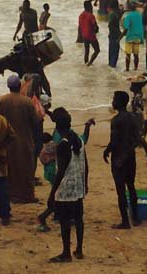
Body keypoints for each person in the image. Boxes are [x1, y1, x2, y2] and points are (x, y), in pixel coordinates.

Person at [47, 108, 89, 263]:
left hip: (66, 188)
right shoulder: (79, 140)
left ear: (57, 126)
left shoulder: (63, 144)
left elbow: (61, 171)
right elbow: (86, 164)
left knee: (65, 221)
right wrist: (85, 183)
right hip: (78, 185)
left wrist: (52, 193)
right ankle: (79, 249)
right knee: (78, 219)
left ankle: (66, 253)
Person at [103, 91, 140, 229]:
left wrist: (107, 151)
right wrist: (127, 153)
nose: (112, 101)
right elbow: (137, 139)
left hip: (119, 157)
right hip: (130, 156)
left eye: (113, 99)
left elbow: (114, 141)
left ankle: (125, 221)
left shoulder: (116, 120)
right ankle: (135, 218)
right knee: (131, 186)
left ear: (118, 102)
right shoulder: (132, 117)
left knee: (120, 190)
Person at [0, 76, 37, 204]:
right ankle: (27, 195)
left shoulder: (2, 100)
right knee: (26, 168)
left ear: (8, 86)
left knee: (9, 168)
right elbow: (34, 121)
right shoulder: (27, 102)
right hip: (25, 139)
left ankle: (10, 194)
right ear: (19, 86)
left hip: (7, 140)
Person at [122, 0, 144, 71]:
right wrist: (142, 38)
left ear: (129, 8)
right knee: (136, 54)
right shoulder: (139, 15)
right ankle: (135, 68)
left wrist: (120, 37)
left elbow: (126, 28)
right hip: (138, 37)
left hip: (130, 37)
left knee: (128, 54)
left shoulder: (128, 16)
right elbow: (141, 27)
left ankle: (127, 69)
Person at [78, 0, 100, 66]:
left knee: (87, 50)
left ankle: (86, 63)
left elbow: (80, 26)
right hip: (91, 36)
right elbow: (96, 27)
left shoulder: (81, 15)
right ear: (89, 7)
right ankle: (90, 63)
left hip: (84, 35)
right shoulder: (91, 16)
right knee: (97, 50)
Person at [107, 0, 122, 68]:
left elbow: (110, 25)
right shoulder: (117, 13)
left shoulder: (112, 14)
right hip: (117, 34)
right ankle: (112, 65)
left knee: (112, 51)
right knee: (115, 52)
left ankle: (111, 65)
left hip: (113, 34)